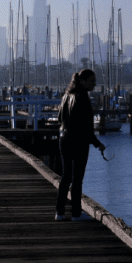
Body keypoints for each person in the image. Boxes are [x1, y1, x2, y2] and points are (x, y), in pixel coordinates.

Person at [55, 69, 106, 222]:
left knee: (66, 176)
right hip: (79, 142)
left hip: (64, 138)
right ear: (82, 81)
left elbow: (59, 119)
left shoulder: (66, 96)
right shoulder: (82, 97)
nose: (94, 84)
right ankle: (76, 213)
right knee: (77, 179)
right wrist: (98, 144)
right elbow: (86, 127)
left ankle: (60, 212)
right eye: (91, 81)